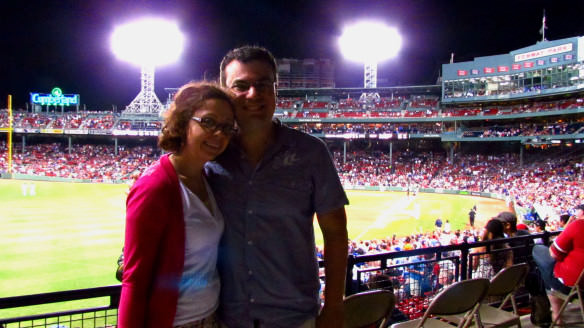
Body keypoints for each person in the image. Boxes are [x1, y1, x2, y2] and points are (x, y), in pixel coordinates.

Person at [206, 46, 349, 328]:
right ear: (225, 92)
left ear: (275, 90)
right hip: (224, 317)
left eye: (262, 84)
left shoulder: (311, 153)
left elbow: (335, 233)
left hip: (294, 317)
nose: (253, 94)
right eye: (241, 86)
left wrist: (334, 306)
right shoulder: (209, 154)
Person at [118, 82, 237, 328]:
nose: (219, 134)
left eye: (226, 127)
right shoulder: (154, 188)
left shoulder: (210, 179)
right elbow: (135, 280)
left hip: (213, 316)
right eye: (208, 122)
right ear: (183, 123)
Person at [532, 204, 584, 324]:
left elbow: (554, 253)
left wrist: (568, 227)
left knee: (539, 253)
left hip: (575, 286)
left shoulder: (578, 225)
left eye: (577, 215)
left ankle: (557, 318)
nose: (575, 217)